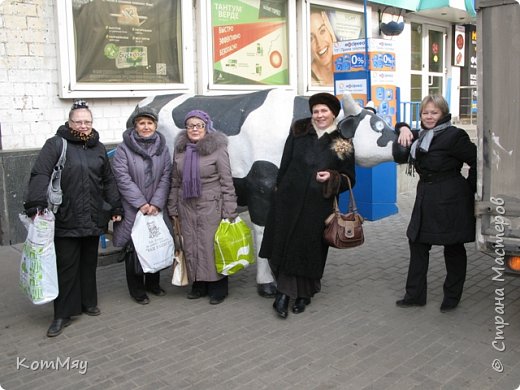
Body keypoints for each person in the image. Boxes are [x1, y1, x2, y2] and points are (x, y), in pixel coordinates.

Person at [23, 100, 123, 337]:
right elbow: (40, 173)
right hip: (65, 216)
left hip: (92, 215)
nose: (83, 125)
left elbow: (108, 180)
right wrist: (36, 203)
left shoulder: (98, 148)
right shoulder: (56, 144)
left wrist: (115, 206)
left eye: (87, 121)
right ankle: (62, 314)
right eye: (78, 121)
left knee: (88, 263)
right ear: (69, 122)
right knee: (66, 266)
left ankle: (88, 302)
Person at [259, 92, 356, 319]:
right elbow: (285, 162)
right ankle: (283, 294)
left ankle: (305, 294)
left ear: (334, 113)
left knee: (309, 249)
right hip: (289, 200)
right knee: (286, 244)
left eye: (324, 111)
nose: (319, 115)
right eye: (316, 111)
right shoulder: (299, 131)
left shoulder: (342, 140)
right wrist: (279, 190)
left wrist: (332, 177)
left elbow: (349, 178)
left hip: (318, 205)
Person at [395, 94, 477, 313]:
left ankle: (451, 296)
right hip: (426, 196)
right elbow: (397, 130)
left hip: (451, 197)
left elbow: (478, 161)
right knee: (417, 243)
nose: (429, 117)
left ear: (443, 113)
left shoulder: (454, 136)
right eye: (425, 112)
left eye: (434, 112)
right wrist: (402, 127)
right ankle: (415, 295)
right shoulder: (420, 135)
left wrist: (469, 188)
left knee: (453, 246)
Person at [167, 110, 238, 305]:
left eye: (199, 125)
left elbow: (227, 181)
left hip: (211, 204)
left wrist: (230, 210)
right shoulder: (180, 149)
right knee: (190, 245)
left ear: (207, 127)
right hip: (186, 205)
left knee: (211, 246)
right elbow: (175, 180)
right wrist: (172, 207)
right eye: (190, 125)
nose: (195, 129)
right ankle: (198, 284)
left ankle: (218, 288)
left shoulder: (217, 148)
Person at [112, 107, 172, 305]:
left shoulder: (163, 148)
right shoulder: (123, 149)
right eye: (141, 123)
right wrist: (141, 203)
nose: (146, 127)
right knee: (134, 248)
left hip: (155, 207)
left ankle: (153, 284)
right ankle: (137, 290)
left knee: (155, 243)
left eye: (149, 123)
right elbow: (122, 177)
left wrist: (156, 202)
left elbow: (166, 175)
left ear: (155, 125)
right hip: (132, 207)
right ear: (135, 126)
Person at [310, 10, 336, 87]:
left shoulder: (342, 66)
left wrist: (335, 41)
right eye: (311, 38)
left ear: (331, 31)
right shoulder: (309, 80)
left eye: (322, 31)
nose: (319, 43)